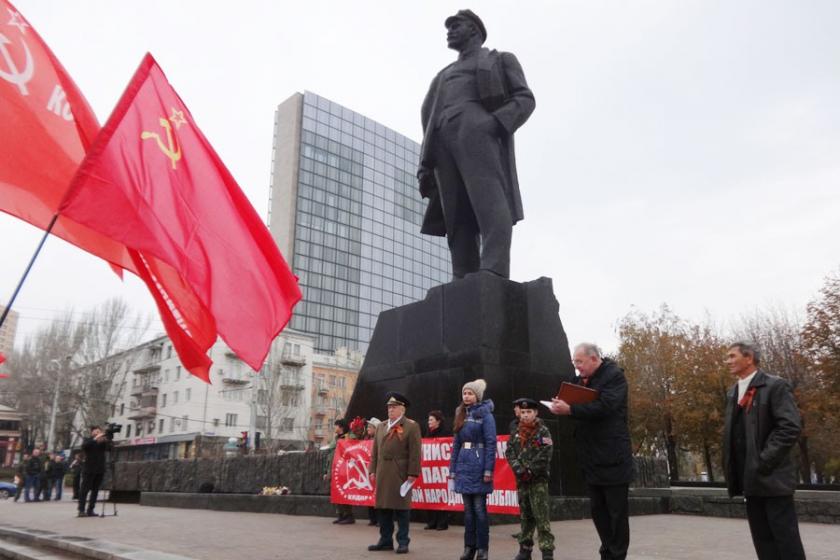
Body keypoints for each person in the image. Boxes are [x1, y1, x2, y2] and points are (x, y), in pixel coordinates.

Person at [417, 9, 535, 279]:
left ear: (474, 29)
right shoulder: (443, 75)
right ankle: (463, 274)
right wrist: (425, 164)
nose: (450, 30)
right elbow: (428, 114)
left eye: (456, 25)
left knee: (488, 200)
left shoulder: (499, 59)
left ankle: (493, 268)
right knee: (455, 212)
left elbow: (525, 98)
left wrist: (494, 123)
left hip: (477, 129)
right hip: (442, 139)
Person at [722, 342, 806, 559]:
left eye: (732, 356)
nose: (728, 361)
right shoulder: (733, 392)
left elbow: (790, 427)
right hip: (748, 479)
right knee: (763, 541)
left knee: (786, 540)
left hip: (772, 478)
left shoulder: (775, 386)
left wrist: (764, 460)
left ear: (749, 358)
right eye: (727, 357)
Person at [550, 343, 633, 560]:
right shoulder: (580, 381)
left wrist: (572, 409)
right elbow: (577, 403)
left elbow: (606, 406)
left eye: (579, 361)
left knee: (616, 513)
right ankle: (606, 552)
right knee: (598, 511)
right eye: (574, 362)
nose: (577, 367)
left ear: (594, 359)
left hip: (613, 456)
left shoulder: (614, 377)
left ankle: (617, 555)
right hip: (590, 458)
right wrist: (561, 404)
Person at [368, 392, 422, 554]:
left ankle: (403, 541)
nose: (390, 410)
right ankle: (385, 540)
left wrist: (413, 473)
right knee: (383, 508)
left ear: (403, 409)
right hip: (383, 473)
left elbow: (415, 452)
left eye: (394, 407)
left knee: (402, 509)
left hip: (400, 473)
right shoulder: (381, 426)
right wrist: (372, 470)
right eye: (389, 407)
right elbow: (375, 451)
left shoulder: (411, 426)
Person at [450, 379, 496, 560]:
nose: (466, 396)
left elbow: (491, 443)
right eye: (464, 393)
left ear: (477, 396)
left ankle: (483, 549)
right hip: (463, 464)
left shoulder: (486, 415)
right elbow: (456, 444)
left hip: (479, 464)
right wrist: (452, 470)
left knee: (479, 509)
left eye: (470, 393)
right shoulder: (460, 413)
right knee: (468, 511)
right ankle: (469, 547)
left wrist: (488, 470)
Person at [506, 398, 555, 560]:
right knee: (525, 515)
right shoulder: (516, 432)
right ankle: (525, 549)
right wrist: (520, 470)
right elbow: (510, 453)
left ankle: (547, 551)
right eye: (523, 412)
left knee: (541, 516)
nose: (525, 415)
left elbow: (545, 453)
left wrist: (530, 470)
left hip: (538, 481)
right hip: (522, 481)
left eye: (529, 412)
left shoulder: (543, 431)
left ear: (536, 413)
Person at [323, 418, 356, 525]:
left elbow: (353, 452)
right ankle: (341, 515)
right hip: (334, 469)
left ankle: (349, 516)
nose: (334, 428)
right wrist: (327, 471)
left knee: (344, 492)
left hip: (344, 470)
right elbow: (330, 455)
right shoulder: (336, 438)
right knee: (336, 493)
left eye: (336, 425)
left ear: (341, 427)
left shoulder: (350, 437)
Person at [77, 425, 113, 517]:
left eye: (99, 431)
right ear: (92, 432)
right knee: (84, 490)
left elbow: (110, 448)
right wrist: (95, 438)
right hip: (89, 469)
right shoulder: (88, 440)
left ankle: (91, 509)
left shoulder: (102, 442)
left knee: (95, 491)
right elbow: (84, 446)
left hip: (100, 469)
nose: (98, 433)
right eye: (96, 431)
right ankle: (81, 510)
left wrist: (108, 438)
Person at [424, 410, 450, 531]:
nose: (429, 422)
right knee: (431, 495)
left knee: (441, 495)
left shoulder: (445, 433)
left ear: (438, 421)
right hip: (430, 469)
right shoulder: (428, 433)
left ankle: (442, 522)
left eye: (431, 420)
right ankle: (432, 521)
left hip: (442, 469)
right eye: (428, 420)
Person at [365, 417, 382, 527]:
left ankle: (380, 519)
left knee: (379, 496)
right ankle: (373, 518)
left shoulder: (381, 440)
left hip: (379, 470)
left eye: (370, 427)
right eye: (367, 427)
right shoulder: (366, 440)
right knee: (369, 494)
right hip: (369, 471)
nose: (367, 429)